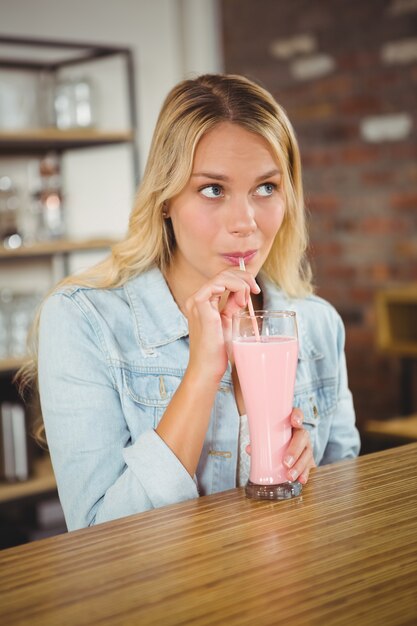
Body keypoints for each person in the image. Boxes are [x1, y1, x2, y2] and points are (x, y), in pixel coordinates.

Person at [23, 74, 360, 531]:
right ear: (165, 198)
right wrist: (202, 374)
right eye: (213, 189)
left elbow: (347, 508)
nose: (245, 223)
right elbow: (98, 533)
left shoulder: (317, 325)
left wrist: (309, 477)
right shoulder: (83, 321)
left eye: (266, 188)